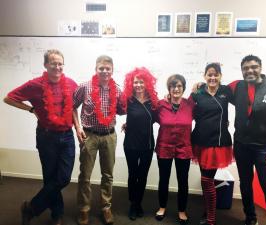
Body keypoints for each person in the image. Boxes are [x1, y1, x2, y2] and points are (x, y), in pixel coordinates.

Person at [3, 49, 78, 225]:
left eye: (60, 63)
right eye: (54, 63)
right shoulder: (35, 85)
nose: (58, 67)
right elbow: (8, 98)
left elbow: (73, 107)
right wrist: (31, 109)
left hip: (67, 136)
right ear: (46, 65)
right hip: (46, 136)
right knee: (50, 177)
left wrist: (78, 126)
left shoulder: (71, 84)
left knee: (64, 178)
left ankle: (31, 207)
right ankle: (57, 214)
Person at [229, 55, 266, 225]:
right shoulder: (236, 86)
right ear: (242, 70)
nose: (249, 70)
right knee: (245, 185)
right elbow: (217, 90)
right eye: (245, 68)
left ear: (260, 68)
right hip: (241, 146)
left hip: (264, 149)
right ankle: (250, 218)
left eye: (253, 67)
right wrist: (200, 87)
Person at [73, 55, 123, 225]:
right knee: (85, 176)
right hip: (90, 136)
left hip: (109, 135)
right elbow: (72, 107)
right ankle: (83, 209)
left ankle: (105, 208)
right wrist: (78, 127)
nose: (104, 71)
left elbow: (126, 109)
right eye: (101, 68)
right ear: (96, 69)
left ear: (112, 70)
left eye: (107, 68)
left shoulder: (117, 89)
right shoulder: (84, 87)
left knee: (107, 175)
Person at [191, 63, 234, 225]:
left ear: (221, 76)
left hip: (218, 143)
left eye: (216, 74)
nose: (213, 77)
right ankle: (208, 209)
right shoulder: (198, 93)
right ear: (204, 76)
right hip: (200, 141)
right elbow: (185, 107)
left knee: (207, 180)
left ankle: (211, 218)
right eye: (209, 74)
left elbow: (244, 102)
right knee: (205, 179)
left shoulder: (226, 91)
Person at [155, 74, 194, 225]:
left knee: (182, 181)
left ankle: (182, 210)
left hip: (184, 148)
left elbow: (205, 116)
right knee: (163, 179)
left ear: (183, 88)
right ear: (169, 89)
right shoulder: (160, 105)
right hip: (164, 147)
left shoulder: (191, 105)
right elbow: (147, 118)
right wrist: (128, 125)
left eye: (179, 86)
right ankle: (162, 207)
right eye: (173, 86)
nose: (176, 89)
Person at [121, 67, 159, 220]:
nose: (138, 85)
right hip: (130, 143)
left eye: (141, 82)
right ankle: (133, 203)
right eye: (135, 82)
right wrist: (126, 124)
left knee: (142, 176)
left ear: (147, 83)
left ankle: (138, 203)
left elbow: (158, 117)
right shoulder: (127, 100)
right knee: (133, 174)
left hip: (147, 144)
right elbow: (113, 111)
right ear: (131, 83)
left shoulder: (153, 102)